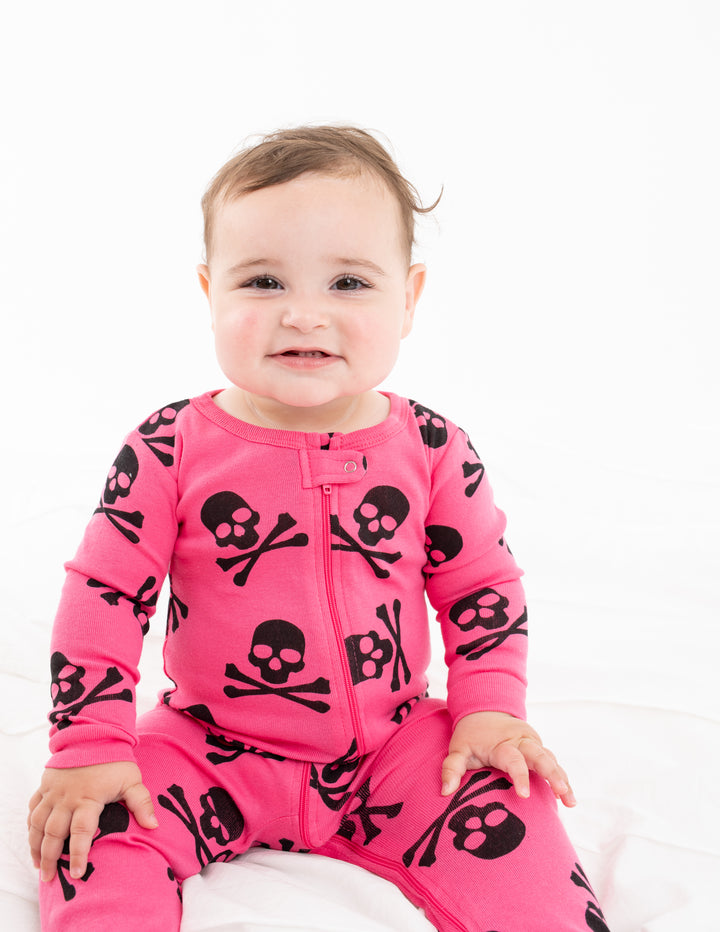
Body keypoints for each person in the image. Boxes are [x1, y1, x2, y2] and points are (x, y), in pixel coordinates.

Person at [27, 125, 608, 931]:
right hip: (207, 750)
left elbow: (481, 586)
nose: (304, 314)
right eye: (263, 281)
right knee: (93, 835)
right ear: (209, 293)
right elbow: (105, 594)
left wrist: (488, 707)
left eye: (349, 282)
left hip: (399, 748)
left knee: (517, 809)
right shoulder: (168, 448)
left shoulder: (433, 449)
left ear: (409, 299)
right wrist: (90, 745)